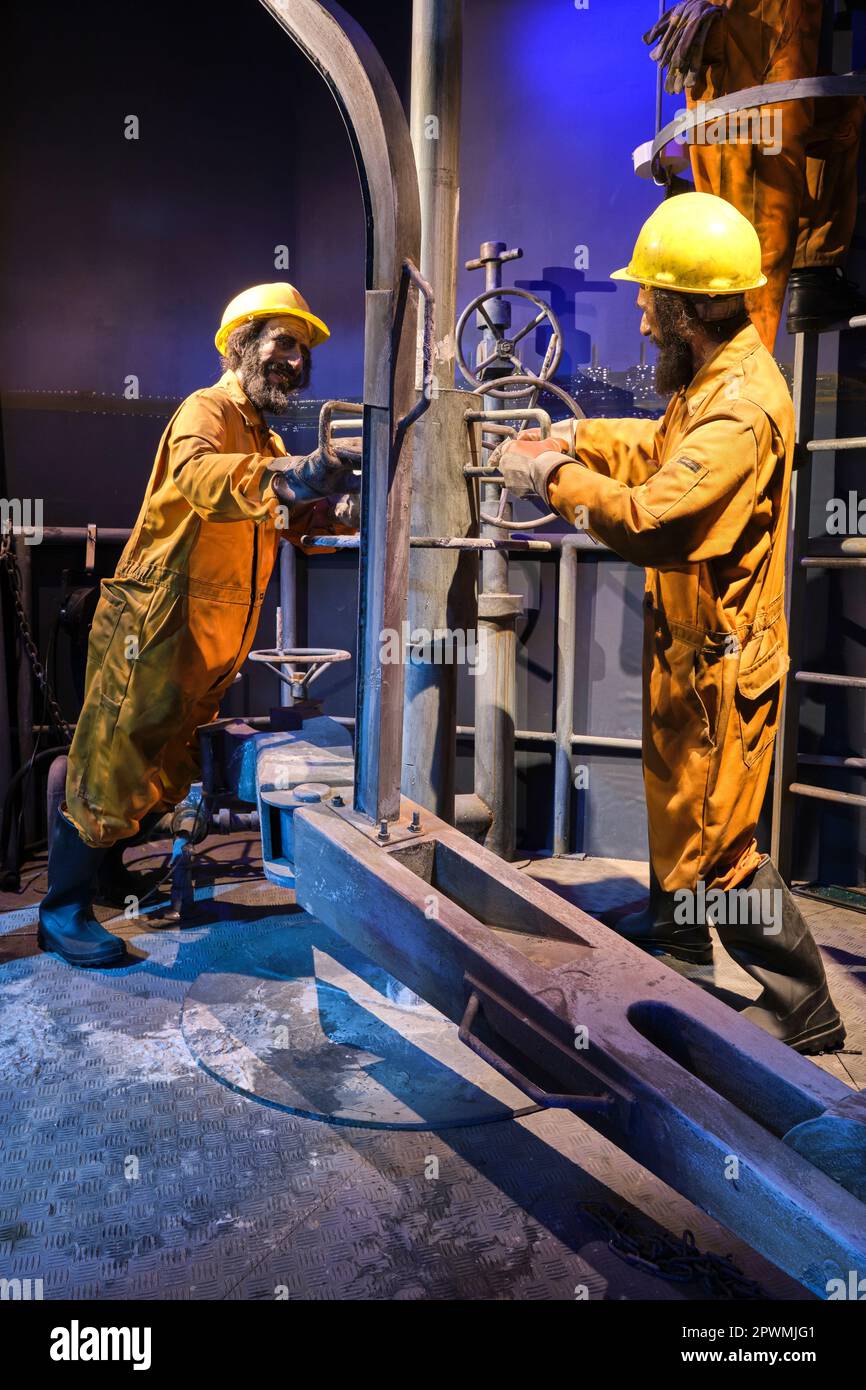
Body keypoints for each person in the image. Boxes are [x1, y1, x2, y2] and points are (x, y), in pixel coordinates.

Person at [492, 193, 844, 1054]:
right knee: (679, 813)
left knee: (722, 848)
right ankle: (681, 955)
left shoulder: (742, 407)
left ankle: (803, 1004)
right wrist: (573, 438)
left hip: (724, 663)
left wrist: (551, 480)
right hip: (691, 655)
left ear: (690, 309)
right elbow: (658, 447)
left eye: (651, 300)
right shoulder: (711, 382)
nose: (643, 318)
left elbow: (656, 520)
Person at [39, 283, 359, 967]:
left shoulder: (262, 434)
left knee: (160, 761)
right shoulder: (208, 410)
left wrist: (340, 510)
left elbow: (286, 516)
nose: (294, 361)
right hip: (157, 623)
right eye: (282, 343)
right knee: (113, 761)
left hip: (206, 635)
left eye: (302, 352)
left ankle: (101, 877)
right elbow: (200, 476)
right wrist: (298, 472)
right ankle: (60, 911)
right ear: (241, 343)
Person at [644, 0, 866, 348]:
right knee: (746, 279)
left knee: (842, 117)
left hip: (763, 50)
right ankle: (730, 384)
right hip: (753, 49)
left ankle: (811, 275)